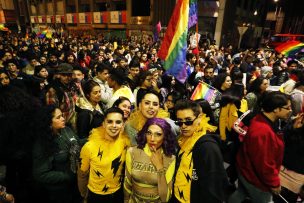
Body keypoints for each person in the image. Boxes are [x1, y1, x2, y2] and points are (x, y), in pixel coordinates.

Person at [229, 91, 292, 203]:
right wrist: (274, 183)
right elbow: (264, 163)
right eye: (288, 107)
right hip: (255, 178)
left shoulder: (261, 118)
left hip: (246, 170)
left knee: (240, 193)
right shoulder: (262, 131)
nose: (291, 110)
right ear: (276, 109)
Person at [171, 100, 228, 203]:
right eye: (179, 121)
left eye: (188, 121)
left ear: (199, 118)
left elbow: (214, 187)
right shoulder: (183, 139)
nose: (183, 126)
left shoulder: (208, 147)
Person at [78, 107, 130, 203]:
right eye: (110, 121)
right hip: (96, 196)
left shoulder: (125, 142)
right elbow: (82, 175)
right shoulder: (89, 146)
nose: (114, 125)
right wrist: (84, 195)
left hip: (118, 193)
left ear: (122, 125)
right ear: (104, 124)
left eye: (118, 122)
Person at [32, 106, 81, 203]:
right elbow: (41, 174)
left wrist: (92, 139)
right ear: (49, 123)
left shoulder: (66, 129)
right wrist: (67, 176)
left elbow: (77, 142)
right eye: (58, 117)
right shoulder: (42, 144)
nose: (63, 118)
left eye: (62, 115)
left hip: (75, 183)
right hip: (60, 190)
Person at [124, 118, 176, 203]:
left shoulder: (170, 158)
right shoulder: (132, 152)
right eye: (149, 133)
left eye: (158, 134)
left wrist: (159, 167)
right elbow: (127, 184)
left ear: (165, 137)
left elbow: (165, 198)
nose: (152, 139)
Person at [76, 80, 104, 145]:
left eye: (100, 91)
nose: (99, 94)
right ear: (88, 95)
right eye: (95, 93)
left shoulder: (99, 104)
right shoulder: (84, 113)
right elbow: (83, 138)